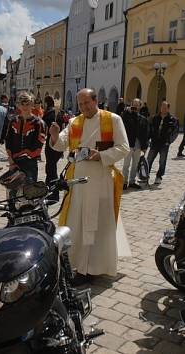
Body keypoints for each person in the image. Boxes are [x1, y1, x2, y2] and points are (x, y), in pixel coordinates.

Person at [49, 88, 130, 281]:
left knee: (96, 223)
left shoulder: (113, 119)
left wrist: (101, 155)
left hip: (101, 178)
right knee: (77, 222)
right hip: (78, 180)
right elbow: (61, 144)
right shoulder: (74, 121)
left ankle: (92, 268)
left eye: (87, 103)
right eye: (80, 104)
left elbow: (123, 147)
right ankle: (76, 263)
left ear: (95, 101)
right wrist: (54, 135)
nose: (84, 107)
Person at [5, 93, 46, 181]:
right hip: (14, 161)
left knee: (29, 191)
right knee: (13, 191)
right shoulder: (13, 121)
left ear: (32, 105)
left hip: (30, 163)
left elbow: (39, 144)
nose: (25, 107)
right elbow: (8, 140)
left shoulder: (39, 123)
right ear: (18, 105)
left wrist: (26, 155)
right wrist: (10, 158)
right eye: (22, 104)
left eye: (27, 104)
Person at [147, 101, 178, 185]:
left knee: (162, 161)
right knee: (149, 159)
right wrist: (148, 139)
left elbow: (175, 132)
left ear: (168, 108)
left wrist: (169, 141)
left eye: (165, 107)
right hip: (154, 142)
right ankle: (146, 175)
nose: (163, 109)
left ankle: (159, 176)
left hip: (164, 144)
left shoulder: (172, 119)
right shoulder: (154, 118)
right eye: (162, 107)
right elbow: (149, 129)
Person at [121, 98, 149, 189]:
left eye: (138, 105)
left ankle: (132, 181)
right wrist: (126, 112)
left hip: (138, 145)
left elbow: (145, 133)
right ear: (131, 104)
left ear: (140, 106)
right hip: (129, 144)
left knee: (135, 164)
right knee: (126, 164)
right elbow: (121, 121)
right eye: (134, 104)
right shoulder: (127, 115)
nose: (136, 106)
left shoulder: (143, 119)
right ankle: (124, 182)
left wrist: (145, 146)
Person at [42, 96, 63, 201]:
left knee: (51, 168)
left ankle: (54, 193)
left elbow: (44, 126)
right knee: (50, 167)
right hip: (56, 143)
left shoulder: (50, 113)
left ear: (47, 103)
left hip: (52, 143)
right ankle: (48, 188)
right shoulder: (57, 112)